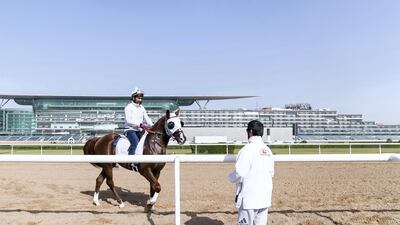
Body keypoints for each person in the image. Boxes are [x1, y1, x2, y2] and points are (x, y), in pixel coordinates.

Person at [228, 120, 274, 225]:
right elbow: (271, 172)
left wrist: (229, 177)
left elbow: (239, 173)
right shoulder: (268, 150)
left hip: (249, 199)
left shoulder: (246, 150)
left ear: (250, 131)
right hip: (265, 198)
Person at [124, 87, 153, 158]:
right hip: (130, 130)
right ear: (133, 98)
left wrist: (152, 125)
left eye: (141, 98)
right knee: (135, 142)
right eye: (138, 98)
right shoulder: (128, 107)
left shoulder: (142, 108)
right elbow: (128, 121)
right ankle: (130, 161)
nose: (140, 99)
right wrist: (140, 124)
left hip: (140, 130)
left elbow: (147, 119)